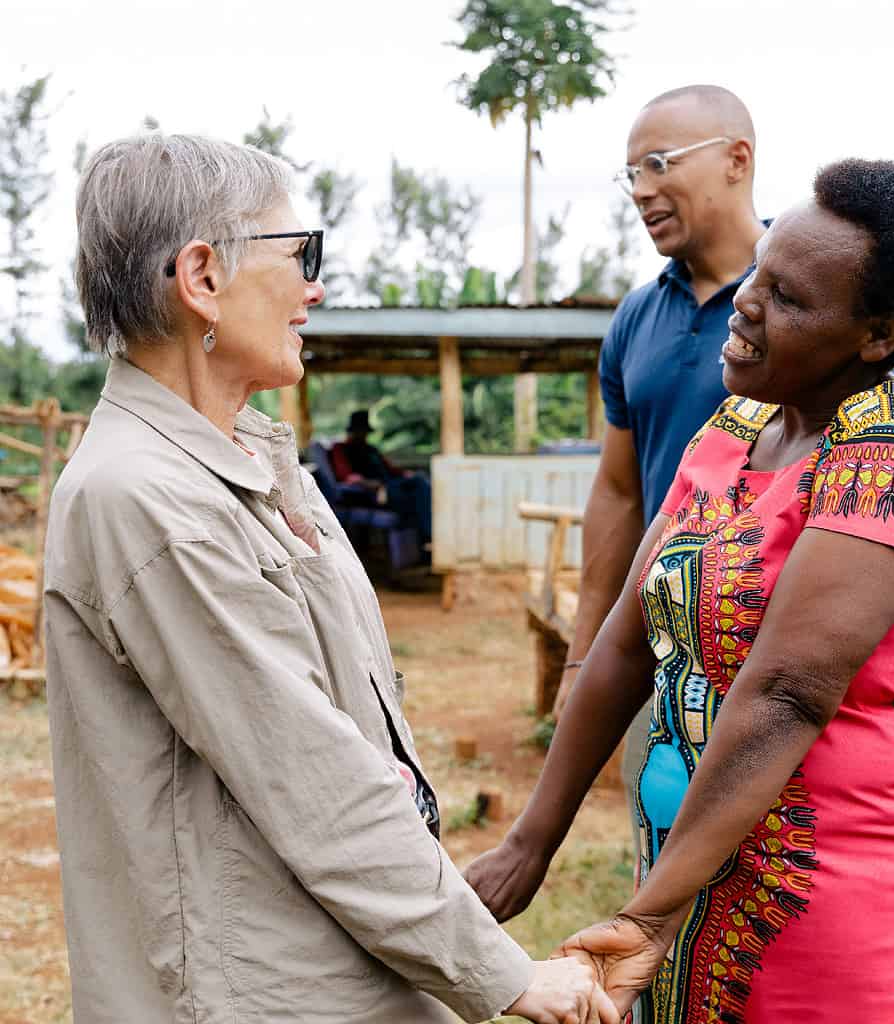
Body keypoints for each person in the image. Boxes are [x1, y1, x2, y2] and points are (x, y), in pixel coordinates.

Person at [44, 133, 617, 1024]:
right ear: (201, 278)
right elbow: (309, 775)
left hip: (331, 952)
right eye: (298, 253)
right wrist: (500, 971)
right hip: (260, 988)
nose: (314, 288)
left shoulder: (259, 458)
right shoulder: (147, 496)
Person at [467, 159, 894, 1022]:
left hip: (827, 890)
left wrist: (647, 917)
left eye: (789, 298)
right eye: (758, 270)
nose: (746, 302)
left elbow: (789, 694)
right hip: (687, 867)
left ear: (878, 335)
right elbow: (630, 636)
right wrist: (531, 843)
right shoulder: (738, 427)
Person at [555, 85, 767, 824]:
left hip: (775, 666)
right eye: (631, 174)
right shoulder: (636, 319)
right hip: (663, 663)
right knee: (658, 880)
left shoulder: (814, 299)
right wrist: (584, 659)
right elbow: (618, 495)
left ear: (737, 160)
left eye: (658, 163)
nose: (641, 190)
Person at [331, 408, 432, 549]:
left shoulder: (371, 449)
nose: (363, 434)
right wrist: (370, 484)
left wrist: (407, 474)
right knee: (416, 495)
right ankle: (428, 536)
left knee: (420, 484)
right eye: (360, 430)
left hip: (391, 485)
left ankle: (425, 540)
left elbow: (391, 469)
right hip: (372, 493)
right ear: (353, 431)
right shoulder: (340, 449)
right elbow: (347, 476)